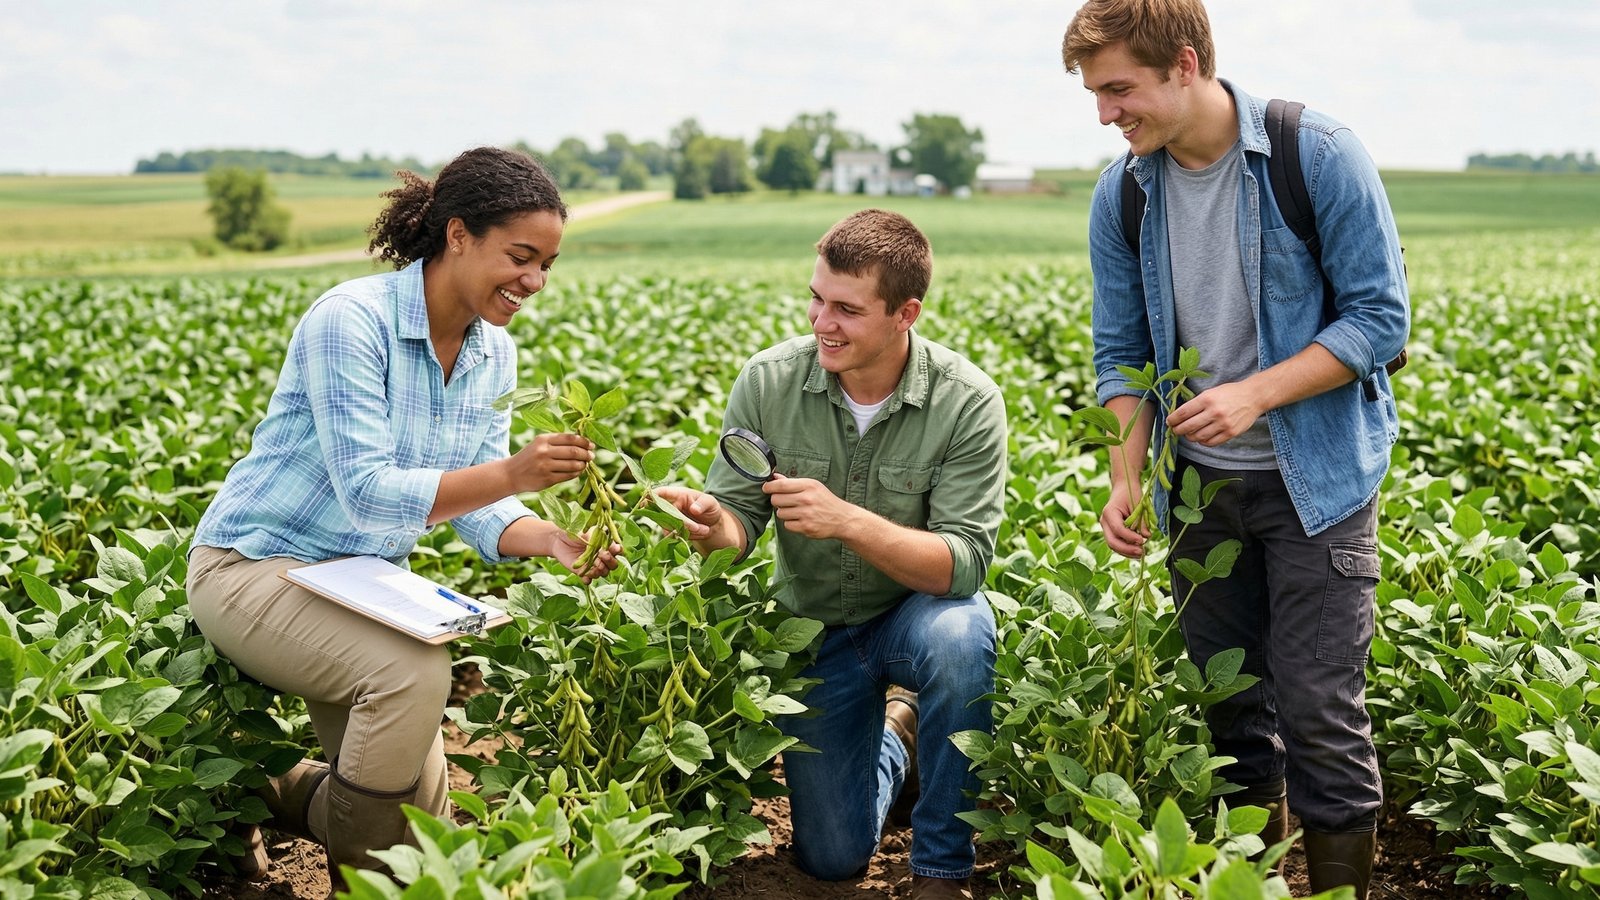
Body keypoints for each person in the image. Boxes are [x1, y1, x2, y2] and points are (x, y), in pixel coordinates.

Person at [186, 146, 620, 890]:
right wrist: (513, 470)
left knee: (418, 822)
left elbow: (480, 506)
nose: (534, 282)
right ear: (458, 236)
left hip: (362, 587)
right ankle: (341, 863)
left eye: (547, 263)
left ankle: (258, 790)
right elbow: (368, 492)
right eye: (520, 257)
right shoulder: (350, 321)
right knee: (415, 671)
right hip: (253, 567)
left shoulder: (495, 355)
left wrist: (547, 538)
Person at [1061, 1, 1410, 896]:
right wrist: (1127, 476)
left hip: (1319, 485)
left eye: (1118, 90)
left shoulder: (1316, 155)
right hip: (1198, 495)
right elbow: (1121, 351)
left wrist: (1253, 392)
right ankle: (1250, 883)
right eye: (1096, 95)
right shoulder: (1126, 191)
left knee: (1320, 710)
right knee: (1233, 714)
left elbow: (1380, 318)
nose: (1106, 114)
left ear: (1183, 63)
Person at [657, 210, 1007, 900]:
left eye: (847, 309)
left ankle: (941, 867)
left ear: (905, 313)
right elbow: (739, 522)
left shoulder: (967, 402)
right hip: (815, 634)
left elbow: (962, 565)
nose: (823, 322)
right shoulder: (768, 381)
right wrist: (709, 524)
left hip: (914, 618)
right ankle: (897, 742)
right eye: (816, 299)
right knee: (833, 859)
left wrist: (847, 521)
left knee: (964, 634)